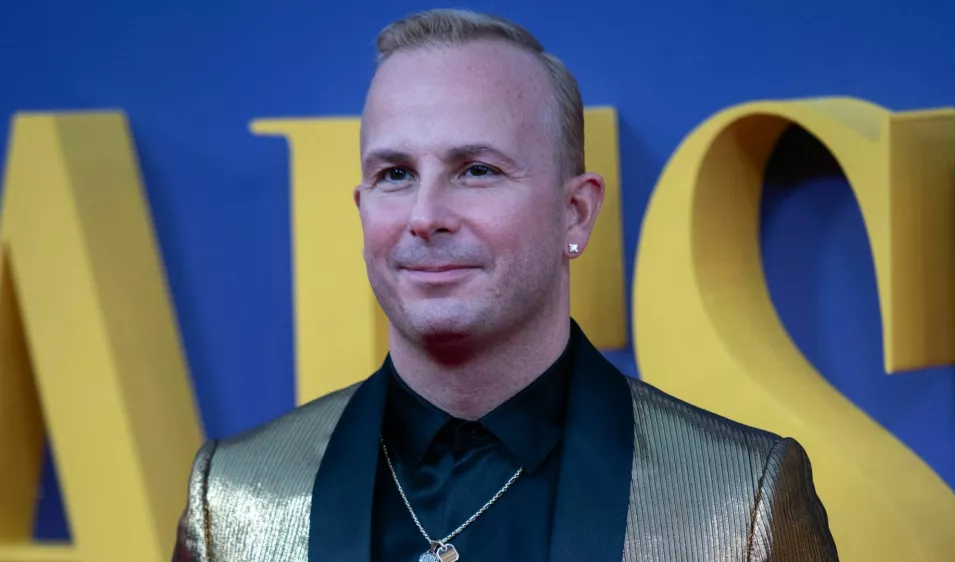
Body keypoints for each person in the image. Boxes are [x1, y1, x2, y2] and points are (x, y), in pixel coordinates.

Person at [172, 8, 838, 562]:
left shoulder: (740, 501)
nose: (425, 216)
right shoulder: (233, 500)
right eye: (395, 174)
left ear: (575, 213)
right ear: (362, 206)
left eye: (476, 170)